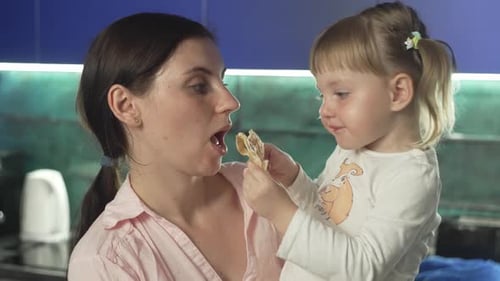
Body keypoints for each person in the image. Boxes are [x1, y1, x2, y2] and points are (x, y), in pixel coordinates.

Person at [241, 2, 456, 281]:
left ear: (398, 92)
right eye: (322, 95)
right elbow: (325, 217)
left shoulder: (412, 176)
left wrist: (281, 212)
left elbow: (361, 268)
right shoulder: (352, 148)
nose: (324, 110)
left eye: (341, 93)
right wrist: (294, 180)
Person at [67, 12, 282, 281]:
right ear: (126, 105)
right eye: (199, 86)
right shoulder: (106, 263)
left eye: (222, 81)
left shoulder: (268, 193)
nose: (230, 101)